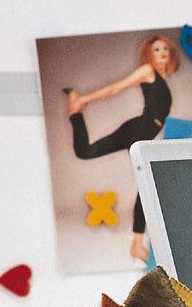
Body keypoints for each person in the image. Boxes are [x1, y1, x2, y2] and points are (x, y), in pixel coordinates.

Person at [67, 34, 184, 262]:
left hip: (143, 133)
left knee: (144, 183)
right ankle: (76, 111)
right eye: (157, 49)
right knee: (143, 182)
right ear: (149, 55)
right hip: (136, 131)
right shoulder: (147, 71)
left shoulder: (161, 78)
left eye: (165, 49)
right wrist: (85, 99)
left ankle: (136, 243)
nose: (162, 53)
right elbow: (116, 88)